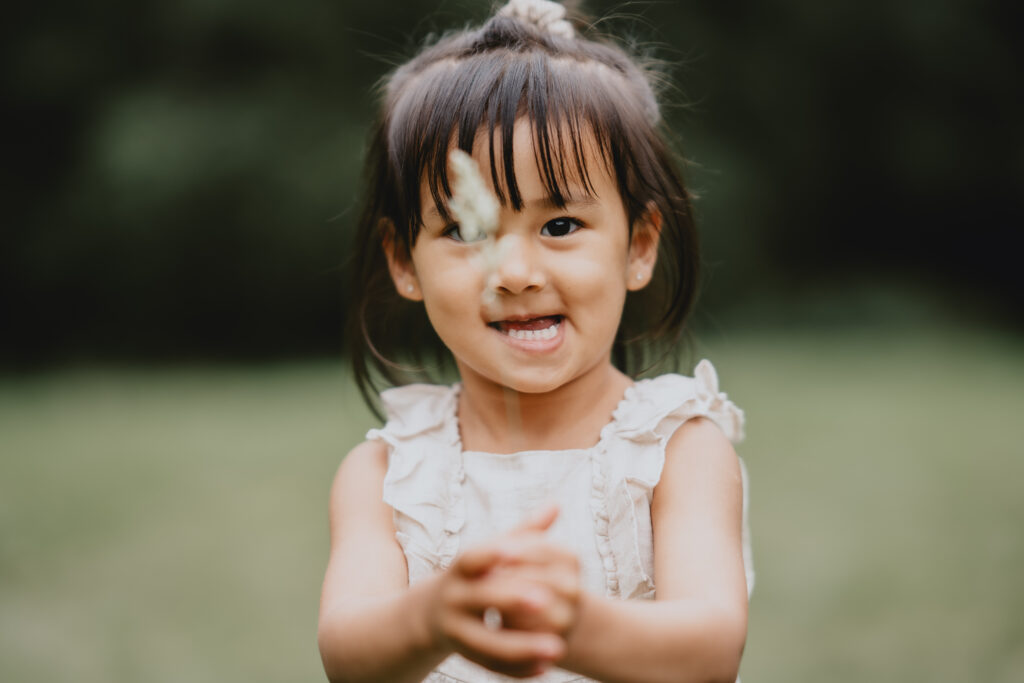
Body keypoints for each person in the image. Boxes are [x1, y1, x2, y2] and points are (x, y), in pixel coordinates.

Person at [318, 1, 753, 681]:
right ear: (404, 261)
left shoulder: (676, 450)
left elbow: (710, 650)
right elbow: (347, 656)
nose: (516, 274)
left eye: (559, 226)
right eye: (466, 231)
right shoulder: (388, 475)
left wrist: (572, 622)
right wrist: (432, 615)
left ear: (638, 245)